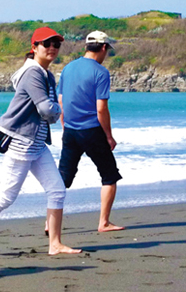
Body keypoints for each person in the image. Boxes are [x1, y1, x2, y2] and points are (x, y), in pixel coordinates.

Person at [0, 27, 82, 259]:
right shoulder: (32, 73)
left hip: (37, 144)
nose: (52, 48)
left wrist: (52, 112)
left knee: (57, 190)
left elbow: (45, 109)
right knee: (7, 194)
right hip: (21, 142)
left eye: (56, 44)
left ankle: (55, 244)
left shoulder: (46, 74)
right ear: (34, 47)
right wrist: (59, 110)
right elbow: (46, 108)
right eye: (46, 43)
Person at [56, 30, 124, 233]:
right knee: (109, 175)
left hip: (70, 130)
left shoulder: (68, 68)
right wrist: (109, 136)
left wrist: (64, 125)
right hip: (92, 130)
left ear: (86, 47)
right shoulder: (100, 72)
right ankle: (103, 222)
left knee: (63, 178)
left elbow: (61, 101)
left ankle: (49, 223)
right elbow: (101, 108)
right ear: (103, 48)